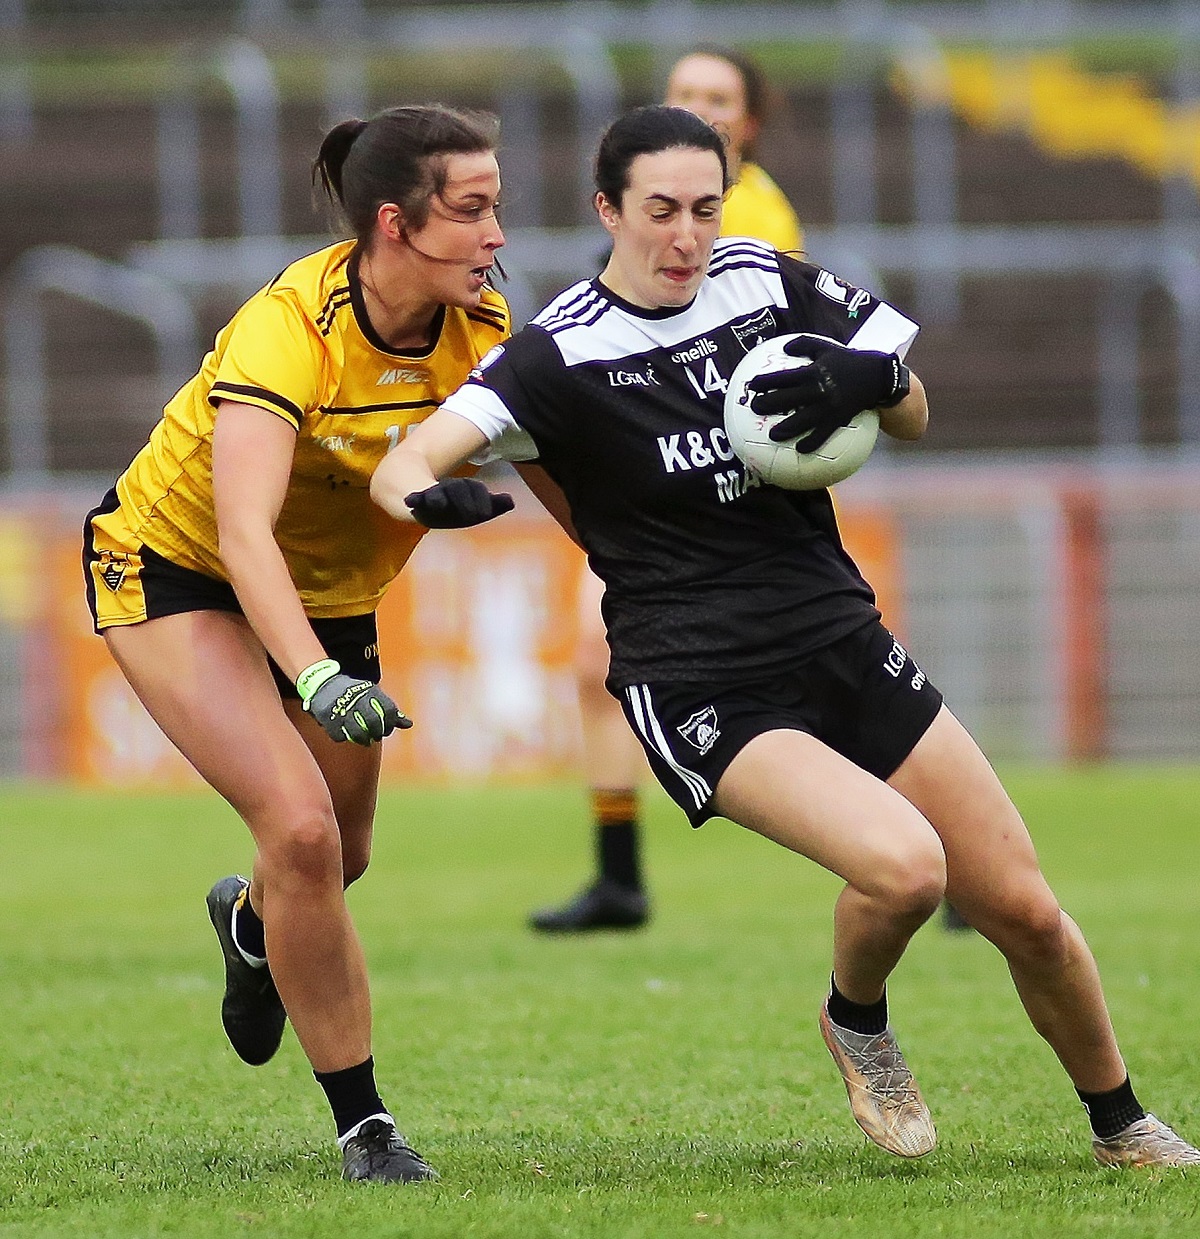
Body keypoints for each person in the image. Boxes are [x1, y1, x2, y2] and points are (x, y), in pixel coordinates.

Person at [370, 104, 1200, 1168]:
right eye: (660, 211)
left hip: (838, 633)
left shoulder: (763, 279)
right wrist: (423, 501)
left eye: (705, 208)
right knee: (907, 869)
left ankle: (1122, 1124)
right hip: (701, 678)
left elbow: (911, 406)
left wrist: (872, 380)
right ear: (606, 210)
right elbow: (410, 460)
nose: (687, 236)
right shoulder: (557, 355)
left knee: (1026, 909)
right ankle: (856, 1018)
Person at [82, 104, 509, 1183]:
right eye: (473, 210)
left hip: (327, 592)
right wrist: (315, 679)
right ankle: (367, 1128)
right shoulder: (291, 324)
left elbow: (568, 475)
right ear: (394, 224)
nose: (498, 233)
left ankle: (251, 928)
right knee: (304, 833)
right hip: (176, 569)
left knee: (337, 856)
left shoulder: (484, 325)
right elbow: (241, 531)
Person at [529, 44, 804, 934]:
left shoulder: (750, 219)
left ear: (751, 122)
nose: (701, 107)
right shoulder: (676, 198)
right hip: (652, 481)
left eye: (719, 96)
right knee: (593, 663)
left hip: (701, 493)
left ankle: (939, 845)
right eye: (686, 92)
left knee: (815, 678)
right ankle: (618, 875)